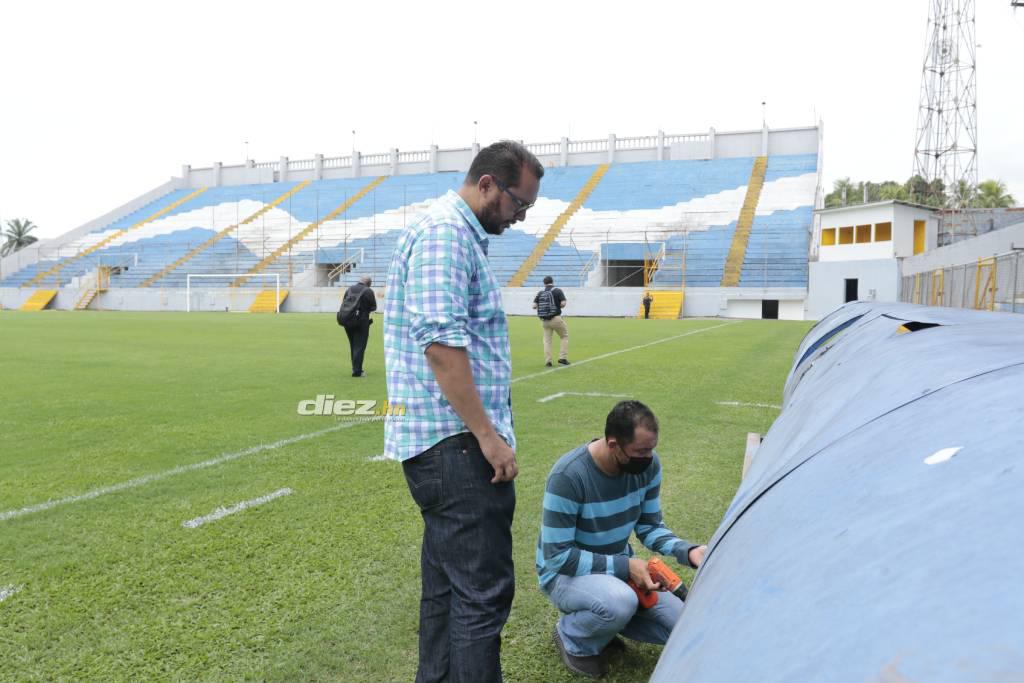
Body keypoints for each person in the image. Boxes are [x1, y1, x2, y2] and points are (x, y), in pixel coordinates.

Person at [384, 140, 544, 682]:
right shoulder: (446, 234)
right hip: (455, 448)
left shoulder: (453, 234)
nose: (520, 217)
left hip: (444, 446)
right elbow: (441, 346)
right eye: (518, 204)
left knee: (447, 594)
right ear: (486, 185)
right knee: (481, 598)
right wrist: (487, 435)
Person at [536, 400, 707, 679]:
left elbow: (650, 526)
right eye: (641, 451)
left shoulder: (649, 467)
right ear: (613, 444)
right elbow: (557, 556)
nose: (649, 458)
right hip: (561, 575)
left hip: (614, 573)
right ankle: (573, 638)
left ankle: (606, 627)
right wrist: (625, 567)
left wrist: (688, 551)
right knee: (619, 601)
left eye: (652, 449)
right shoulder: (568, 476)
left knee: (684, 625)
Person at [340, 275, 376, 377]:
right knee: (359, 346)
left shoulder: (349, 289)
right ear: (369, 283)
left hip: (348, 321)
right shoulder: (368, 291)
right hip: (361, 322)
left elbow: (344, 303)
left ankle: (355, 368)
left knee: (353, 345)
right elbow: (373, 307)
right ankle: (357, 371)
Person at [533, 275, 569, 367]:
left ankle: (548, 361)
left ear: (544, 283)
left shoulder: (540, 293)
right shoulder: (558, 290)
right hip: (556, 318)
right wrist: (556, 306)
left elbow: (534, 306)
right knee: (564, 336)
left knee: (547, 341)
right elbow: (563, 303)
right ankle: (562, 358)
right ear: (552, 282)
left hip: (544, 320)